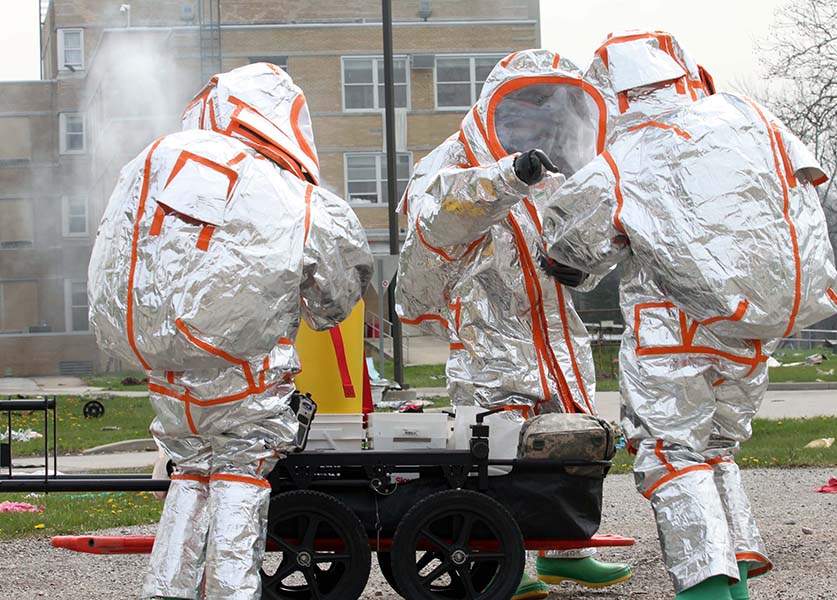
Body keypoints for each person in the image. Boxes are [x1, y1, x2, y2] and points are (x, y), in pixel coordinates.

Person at [542, 31, 837, 600]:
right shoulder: (747, 115)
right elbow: (801, 196)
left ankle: (706, 592)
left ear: (608, 95)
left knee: (671, 456)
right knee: (716, 450)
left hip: (671, 334)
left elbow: (570, 256)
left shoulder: (624, 157)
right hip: (755, 329)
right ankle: (738, 582)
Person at [88, 63, 373, 599]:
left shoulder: (156, 164)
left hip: (166, 373)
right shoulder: (291, 193)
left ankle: (167, 591)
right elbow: (335, 302)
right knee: (240, 484)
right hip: (244, 375)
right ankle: (232, 592)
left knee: (190, 475)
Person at [395, 48, 632, 600]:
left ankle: (564, 549)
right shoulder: (455, 156)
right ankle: (500, 554)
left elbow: (585, 235)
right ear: (496, 108)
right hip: (485, 329)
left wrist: (578, 269)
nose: (531, 123)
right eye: (520, 109)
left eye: (543, 111)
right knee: (495, 445)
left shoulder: (558, 166)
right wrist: (508, 175)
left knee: (567, 432)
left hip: (554, 332)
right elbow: (438, 217)